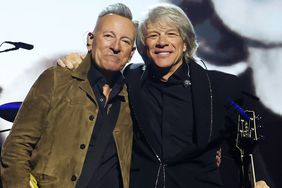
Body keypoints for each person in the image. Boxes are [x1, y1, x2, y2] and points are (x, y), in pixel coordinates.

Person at [58, 3, 270, 188]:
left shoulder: (222, 86)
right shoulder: (129, 78)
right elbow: (99, 70)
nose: (162, 42)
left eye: (171, 34)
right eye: (153, 35)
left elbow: (246, 144)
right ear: (143, 46)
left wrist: (258, 179)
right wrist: (78, 62)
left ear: (185, 42)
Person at [0, 3, 136, 188]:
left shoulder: (133, 97)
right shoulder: (57, 79)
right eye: (108, 36)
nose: (116, 46)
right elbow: (16, 148)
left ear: (131, 53)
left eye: (125, 41)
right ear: (91, 39)